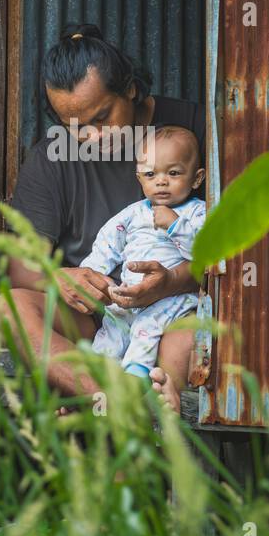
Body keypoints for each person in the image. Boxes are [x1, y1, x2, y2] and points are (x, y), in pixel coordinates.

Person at [0, 23, 205, 413]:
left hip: (178, 308)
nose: (90, 136)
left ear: (130, 89)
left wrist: (170, 282)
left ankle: (127, 413)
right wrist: (58, 278)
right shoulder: (51, 160)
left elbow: (236, 252)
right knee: (8, 307)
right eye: (73, 126)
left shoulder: (193, 130)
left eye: (101, 117)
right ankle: (108, 398)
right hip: (98, 318)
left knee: (186, 338)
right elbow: (21, 274)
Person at [80, 125, 206, 377]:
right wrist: (92, 272)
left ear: (196, 178)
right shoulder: (134, 213)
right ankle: (93, 383)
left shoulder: (197, 212)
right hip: (128, 295)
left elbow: (205, 255)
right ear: (139, 178)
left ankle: (136, 377)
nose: (161, 181)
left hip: (172, 299)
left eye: (173, 173)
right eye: (150, 174)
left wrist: (175, 226)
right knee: (111, 329)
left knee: (146, 329)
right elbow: (108, 241)